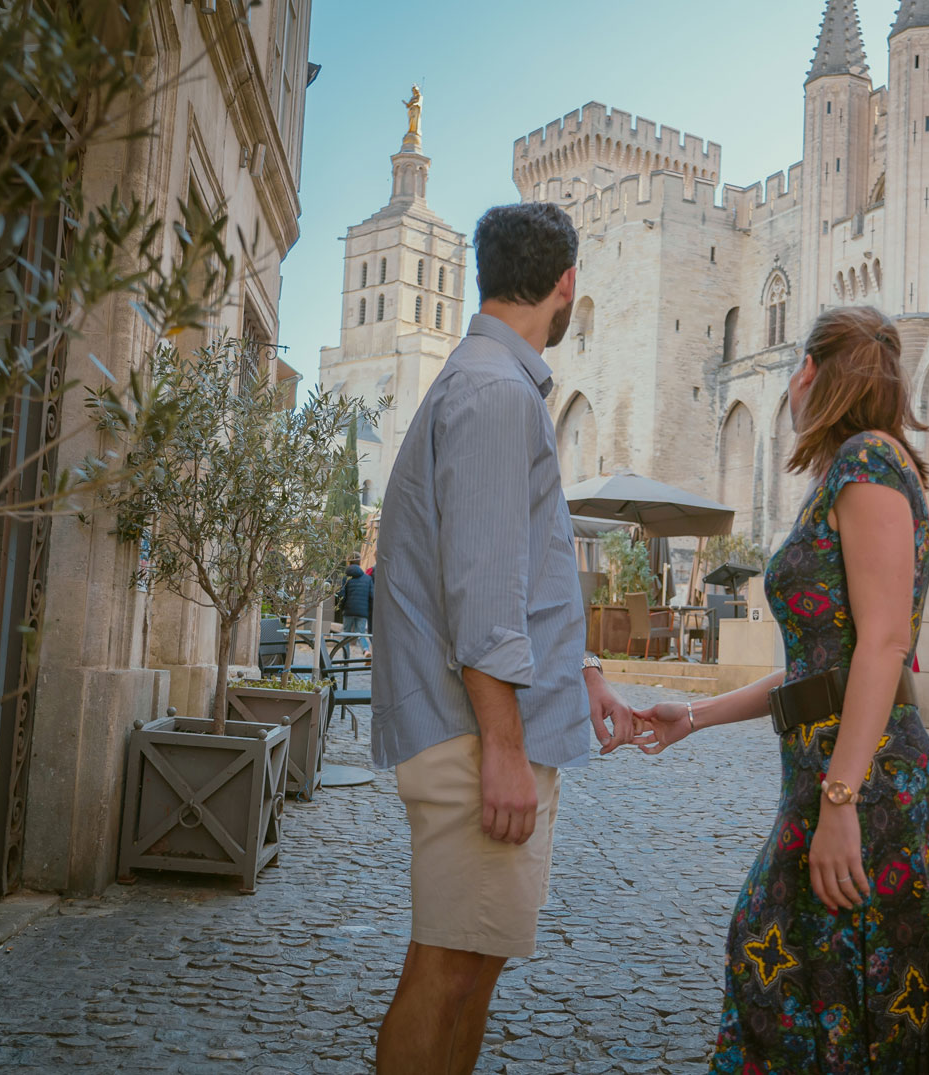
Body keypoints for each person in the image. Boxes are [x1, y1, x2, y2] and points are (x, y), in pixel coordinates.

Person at [634, 306, 929, 1073]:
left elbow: (883, 643)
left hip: (866, 789)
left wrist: (839, 802)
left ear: (806, 371)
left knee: (834, 998)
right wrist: (696, 716)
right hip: (834, 781)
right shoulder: (852, 468)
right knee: (795, 985)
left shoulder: (868, 463)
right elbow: (821, 669)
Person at [369, 202, 637, 1075]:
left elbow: (523, 564)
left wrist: (582, 670)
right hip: (469, 728)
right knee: (448, 967)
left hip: (474, 723)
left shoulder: (490, 381)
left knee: (469, 963)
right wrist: (504, 747)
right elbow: (483, 596)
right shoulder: (492, 392)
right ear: (566, 285)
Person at [339, 562, 373, 653]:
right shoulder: (368, 578)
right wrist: (368, 611)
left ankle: (345, 660)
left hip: (348, 611)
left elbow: (341, 596)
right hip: (362, 612)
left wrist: (342, 608)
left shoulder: (346, 578)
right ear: (360, 562)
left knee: (346, 634)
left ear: (349, 563)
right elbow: (372, 597)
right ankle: (365, 650)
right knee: (360, 634)